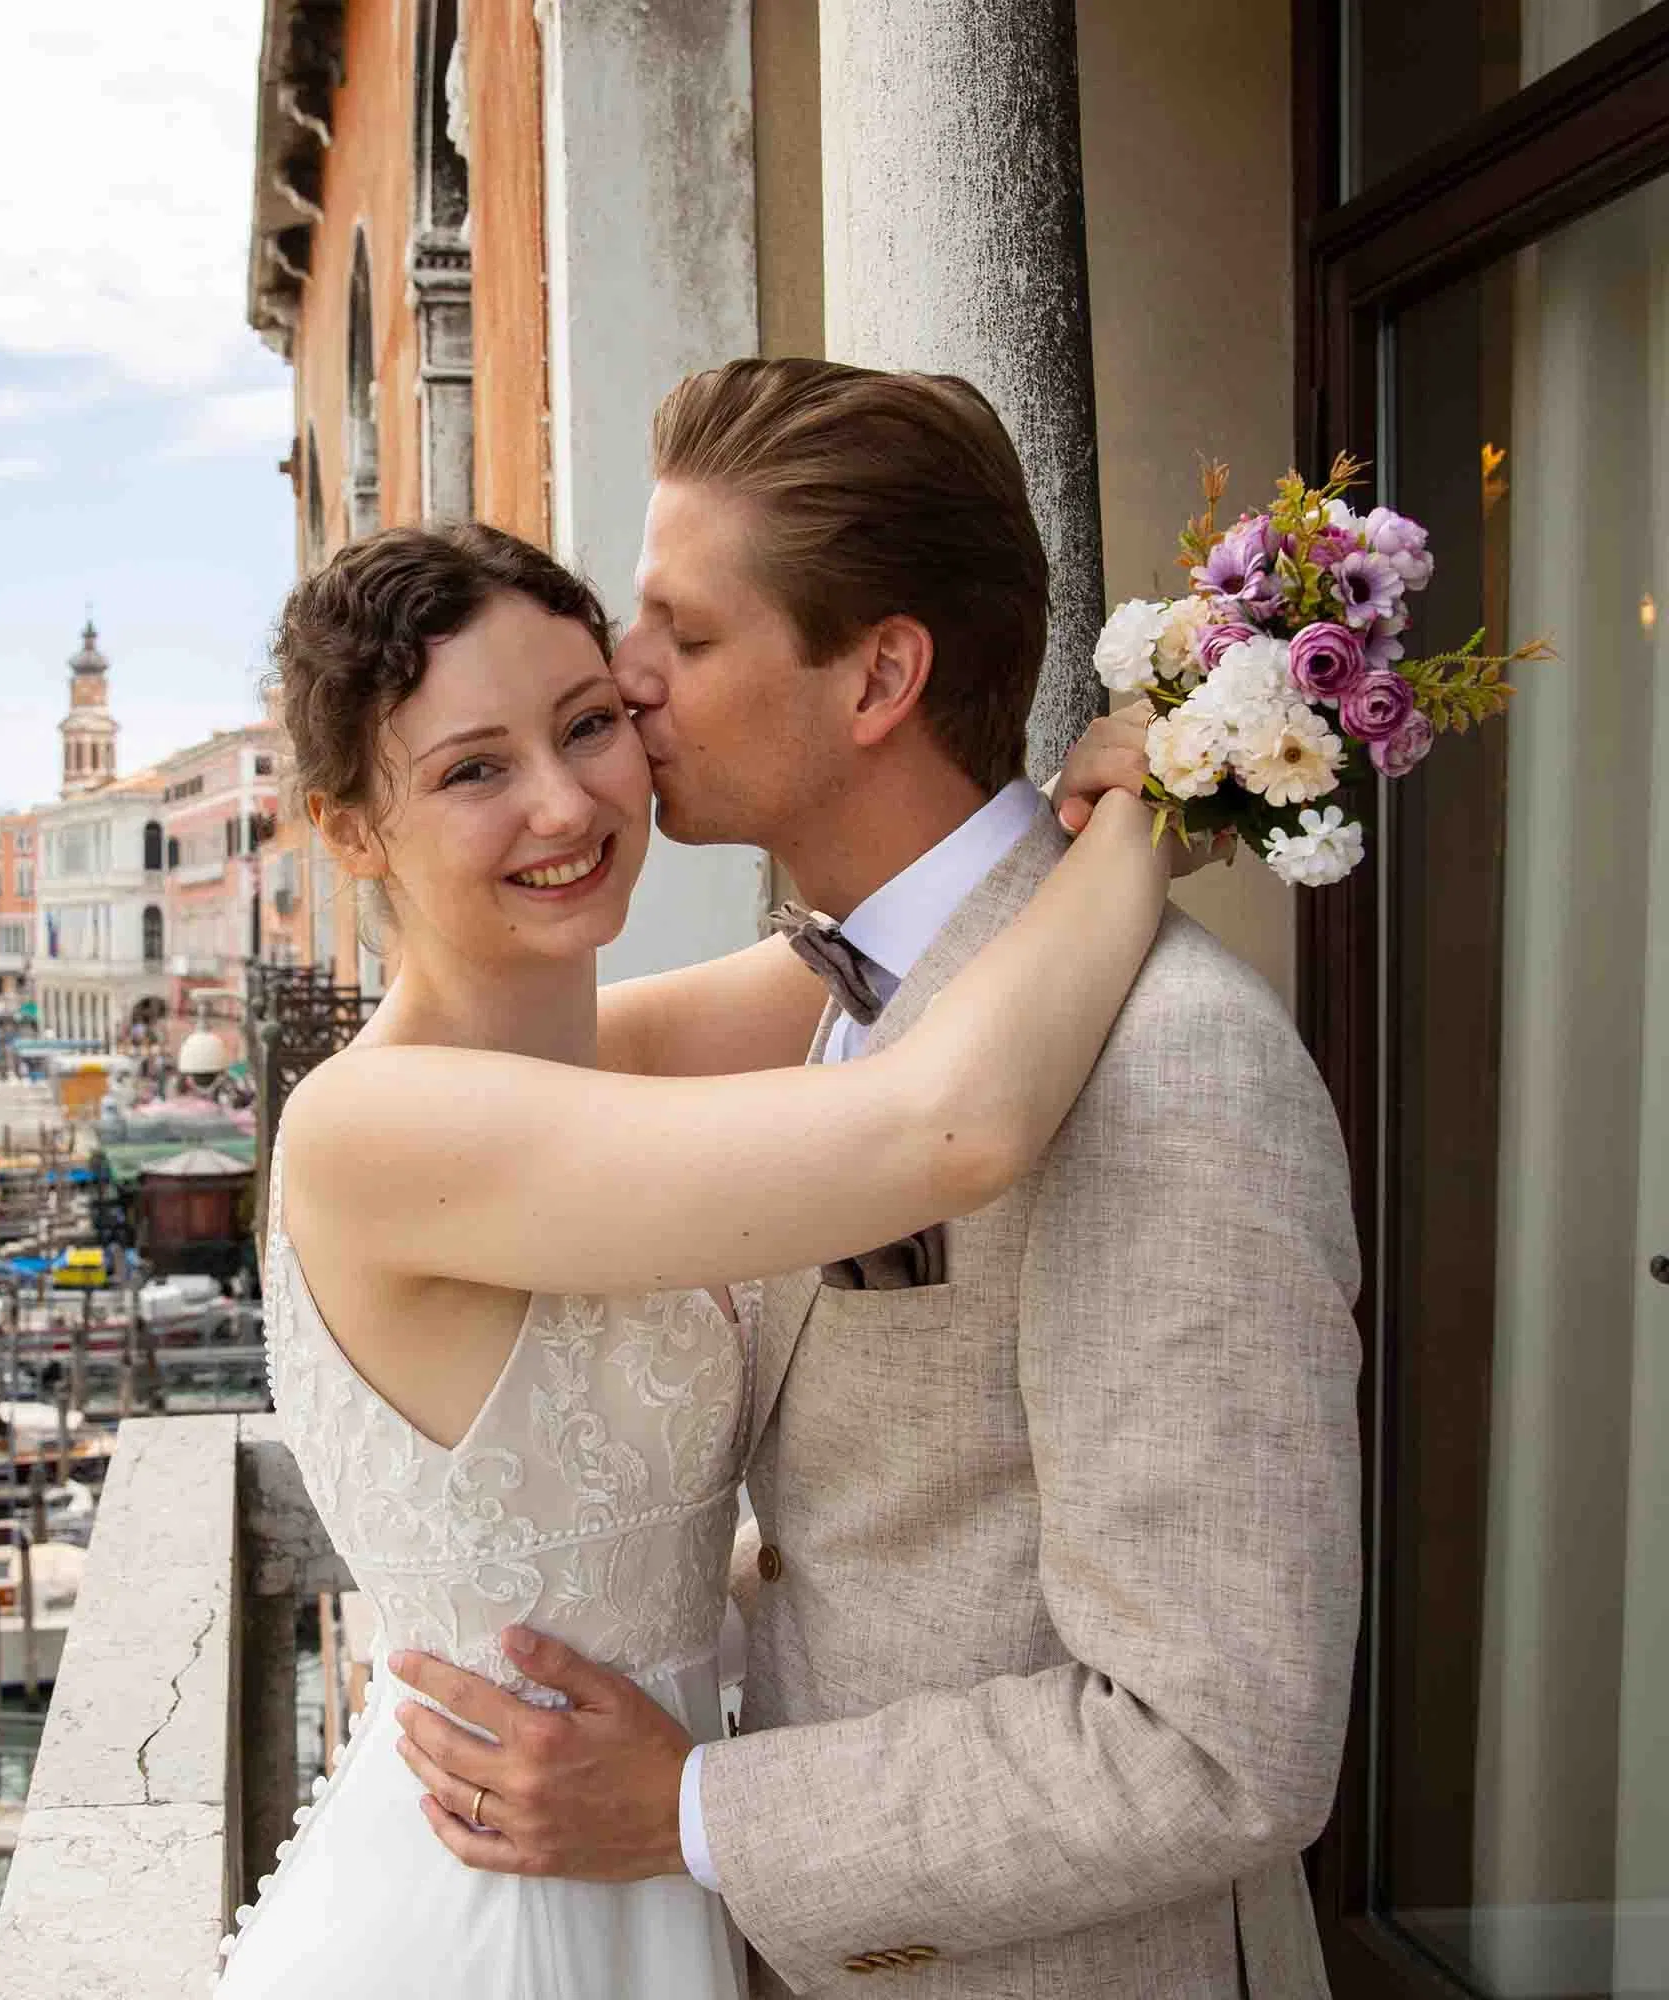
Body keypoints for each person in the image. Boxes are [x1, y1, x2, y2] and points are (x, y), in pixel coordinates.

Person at [391, 360, 1363, 1999]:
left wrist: (694, 1808)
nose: (627, 684)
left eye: (684, 637)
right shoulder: (840, 999)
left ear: (878, 680)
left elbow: (1220, 1747)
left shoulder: (1170, 1071)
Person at [212, 515, 1170, 1999]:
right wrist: (1155, 817)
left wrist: (1104, 787)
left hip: (649, 1851)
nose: (565, 803)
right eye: (474, 769)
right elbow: (955, 1126)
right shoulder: (374, 1130)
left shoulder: (626, 1049)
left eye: (588, 726)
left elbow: (929, 935)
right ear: (349, 832)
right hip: (501, 1919)